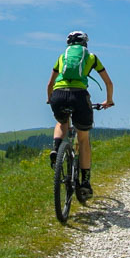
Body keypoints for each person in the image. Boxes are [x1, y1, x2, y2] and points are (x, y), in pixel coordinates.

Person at [46, 31, 114, 198]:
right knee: (83, 139)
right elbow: (108, 82)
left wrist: (50, 99)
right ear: (85, 43)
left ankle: (56, 149)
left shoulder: (62, 57)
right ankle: (85, 183)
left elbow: (50, 83)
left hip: (58, 95)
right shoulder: (91, 57)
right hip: (79, 96)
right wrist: (108, 100)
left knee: (61, 122)